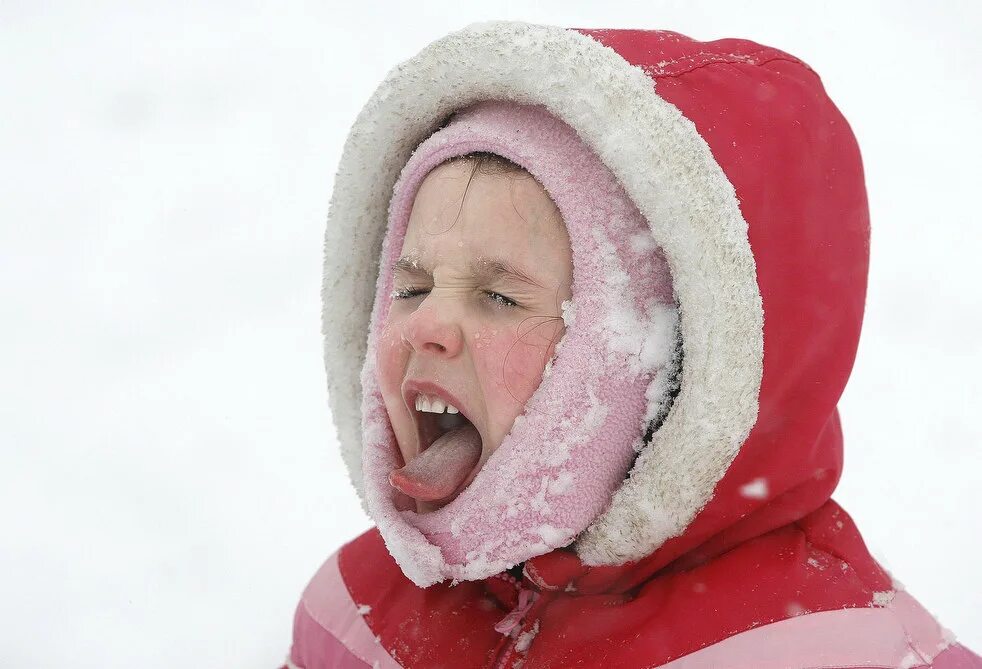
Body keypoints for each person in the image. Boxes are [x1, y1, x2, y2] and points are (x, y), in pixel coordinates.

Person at [280, 21, 981, 669]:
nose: (426, 326)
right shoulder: (353, 614)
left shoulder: (837, 650)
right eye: (412, 287)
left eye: (499, 296)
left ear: (663, 365)